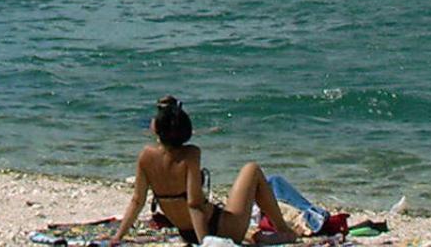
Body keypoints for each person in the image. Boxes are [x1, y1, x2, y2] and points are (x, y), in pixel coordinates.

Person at [108, 97, 299, 246]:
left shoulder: (146, 156)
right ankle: (284, 231)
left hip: (186, 232)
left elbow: (137, 201)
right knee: (252, 169)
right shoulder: (190, 154)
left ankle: (259, 236)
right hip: (219, 228)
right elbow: (194, 204)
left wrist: (118, 237)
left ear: (157, 128)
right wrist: (205, 242)